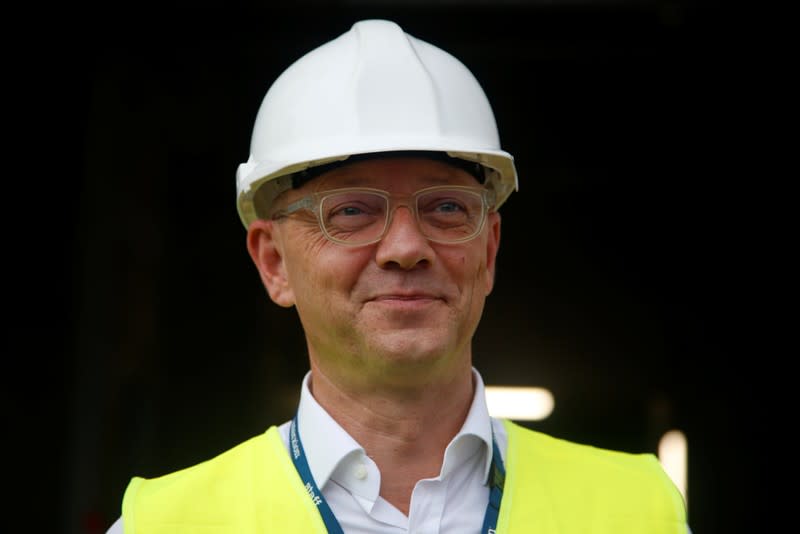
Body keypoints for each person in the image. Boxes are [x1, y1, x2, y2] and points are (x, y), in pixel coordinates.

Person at [107, 18, 689, 533]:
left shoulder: (638, 512)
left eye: (446, 209)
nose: (407, 248)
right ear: (274, 262)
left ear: (488, 251)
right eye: (352, 212)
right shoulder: (164, 525)